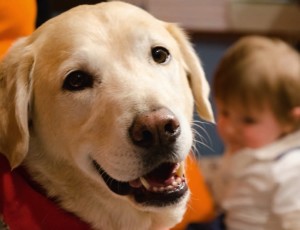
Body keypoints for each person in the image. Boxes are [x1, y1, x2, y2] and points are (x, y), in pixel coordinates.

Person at [209, 35, 300, 230]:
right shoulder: (246, 148)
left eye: (248, 120)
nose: (230, 128)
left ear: (289, 120)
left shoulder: (291, 168)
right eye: (225, 112)